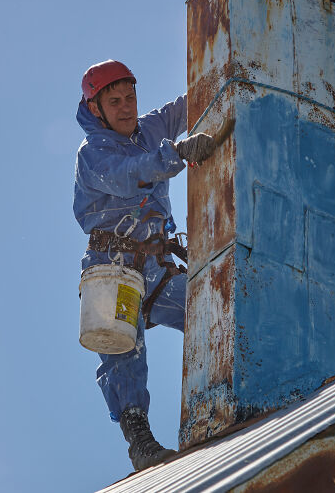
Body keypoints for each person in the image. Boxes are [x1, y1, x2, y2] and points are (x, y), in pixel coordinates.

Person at [72, 59, 216, 471]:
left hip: (156, 267)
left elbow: (188, 104)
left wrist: (230, 67)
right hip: (112, 269)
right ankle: (140, 441)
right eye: (114, 101)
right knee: (121, 345)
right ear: (95, 108)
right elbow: (130, 173)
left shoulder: (148, 130)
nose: (125, 107)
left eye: (130, 97)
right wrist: (179, 153)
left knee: (210, 307)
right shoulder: (94, 153)